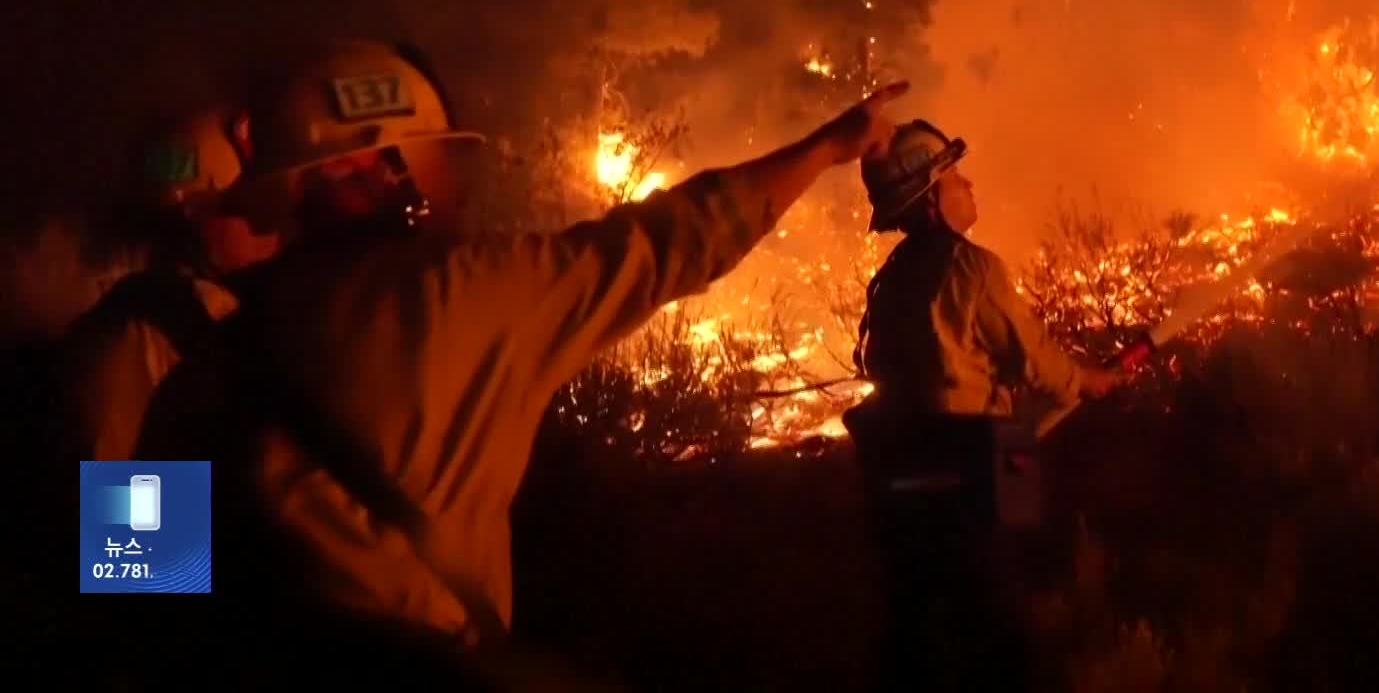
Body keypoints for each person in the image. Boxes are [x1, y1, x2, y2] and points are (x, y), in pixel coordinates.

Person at [136, 40, 906, 686]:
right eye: (418, 161)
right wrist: (824, 149)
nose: (436, 183)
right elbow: (674, 240)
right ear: (370, 171)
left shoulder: (196, 354)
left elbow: (134, 579)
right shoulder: (469, 294)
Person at [845, 119, 1120, 691]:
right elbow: (1032, 358)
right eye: (952, 177)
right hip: (976, 463)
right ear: (930, 202)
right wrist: (1085, 380)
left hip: (899, 472)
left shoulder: (889, 281)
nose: (967, 184)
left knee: (916, 627)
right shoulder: (974, 269)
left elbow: (874, 364)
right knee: (998, 615)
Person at [61, 104, 281, 461]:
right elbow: (129, 510)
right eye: (250, 206)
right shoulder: (142, 335)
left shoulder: (241, 311)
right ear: (192, 214)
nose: (272, 225)